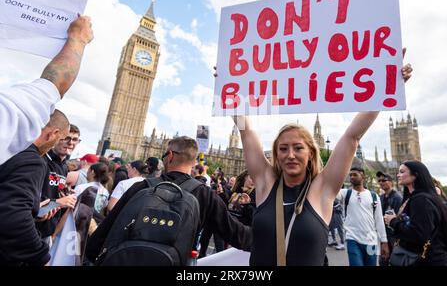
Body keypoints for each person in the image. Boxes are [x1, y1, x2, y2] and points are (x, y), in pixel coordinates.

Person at [230, 61, 412, 266]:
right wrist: (229, 86)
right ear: (276, 155)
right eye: (283, 149)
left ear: (310, 153)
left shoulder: (322, 188)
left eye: (298, 148)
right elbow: (246, 130)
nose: (290, 155)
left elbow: (353, 136)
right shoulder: (266, 183)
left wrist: (389, 85)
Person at [85, 136, 252, 263]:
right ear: (194, 162)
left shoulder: (142, 187)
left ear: (170, 156)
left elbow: (102, 235)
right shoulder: (205, 194)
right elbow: (240, 236)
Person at [0, 16, 93, 165]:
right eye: (64, 138)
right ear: (53, 134)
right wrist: (78, 38)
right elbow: (55, 82)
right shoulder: (30, 162)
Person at [0, 109, 69, 265]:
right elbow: (12, 216)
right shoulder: (33, 160)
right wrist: (39, 256)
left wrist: (34, 208)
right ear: (53, 133)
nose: (57, 144)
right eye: (61, 138)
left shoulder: (9, 148)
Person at [384, 161, 447, 266]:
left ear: (415, 175)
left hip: (428, 259)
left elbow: (418, 234)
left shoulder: (421, 199)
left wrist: (393, 221)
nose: (398, 175)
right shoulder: (416, 197)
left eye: (402, 172)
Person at [337, 167, 388, 266]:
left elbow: (379, 220)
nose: (352, 177)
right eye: (350, 175)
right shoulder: (345, 193)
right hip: (352, 239)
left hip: (371, 241)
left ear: (363, 176)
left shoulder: (374, 196)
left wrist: (384, 241)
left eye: (355, 175)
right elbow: (331, 191)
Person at [377, 170, 403, 265]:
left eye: (384, 180)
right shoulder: (381, 197)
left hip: (393, 236)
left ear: (391, 182)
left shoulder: (397, 198)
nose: (381, 182)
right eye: (379, 181)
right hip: (383, 235)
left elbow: (400, 218)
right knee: (383, 260)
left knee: (394, 261)